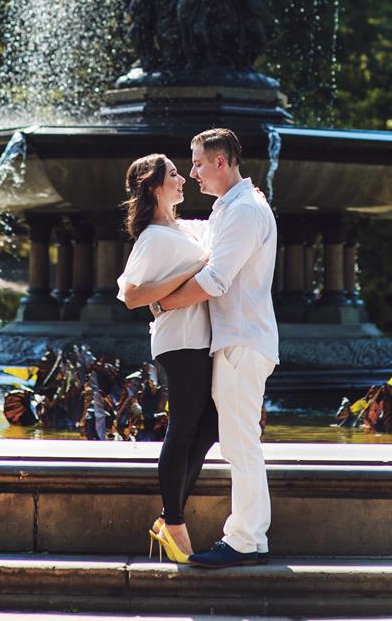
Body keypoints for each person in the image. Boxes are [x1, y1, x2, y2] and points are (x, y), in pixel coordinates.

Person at [153, 127, 279, 568]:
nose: (193, 173)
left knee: (241, 444)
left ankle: (244, 540)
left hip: (242, 341)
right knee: (239, 442)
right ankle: (251, 539)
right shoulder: (233, 208)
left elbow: (214, 280)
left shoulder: (245, 210)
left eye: (199, 164)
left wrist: (161, 302)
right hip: (238, 340)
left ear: (221, 162)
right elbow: (201, 238)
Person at [116, 153, 218, 564]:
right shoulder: (153, 236)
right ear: (155, 186)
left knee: (208, 426)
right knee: (184, 428)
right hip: (180, 341)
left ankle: (168, 517)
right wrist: (191, 271)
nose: (182, 179)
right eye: (174, 174)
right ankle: (173, 522)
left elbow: (224, 228)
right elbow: (132, 295)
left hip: (199, 338)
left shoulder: (179, 228)